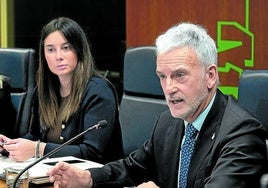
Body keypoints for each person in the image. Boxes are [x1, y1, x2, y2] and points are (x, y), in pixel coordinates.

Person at [47, 22, 267, 188]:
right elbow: (134, 167)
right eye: (162, 76)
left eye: (179, 75)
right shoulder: (168, 121)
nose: (168, 88)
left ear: (210, 76)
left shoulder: (241, 133)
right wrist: (87, 178)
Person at [0, 17, 123, 164]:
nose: (59, 56)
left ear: (79, 50)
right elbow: (34, 136)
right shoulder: (43, 90)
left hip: (96, 179)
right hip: (53, 175)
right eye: (51, 50)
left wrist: (37, 149)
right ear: (44, 55)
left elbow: (92, 153)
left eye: (66, 48)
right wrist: (11, 146)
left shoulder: (99, 91)